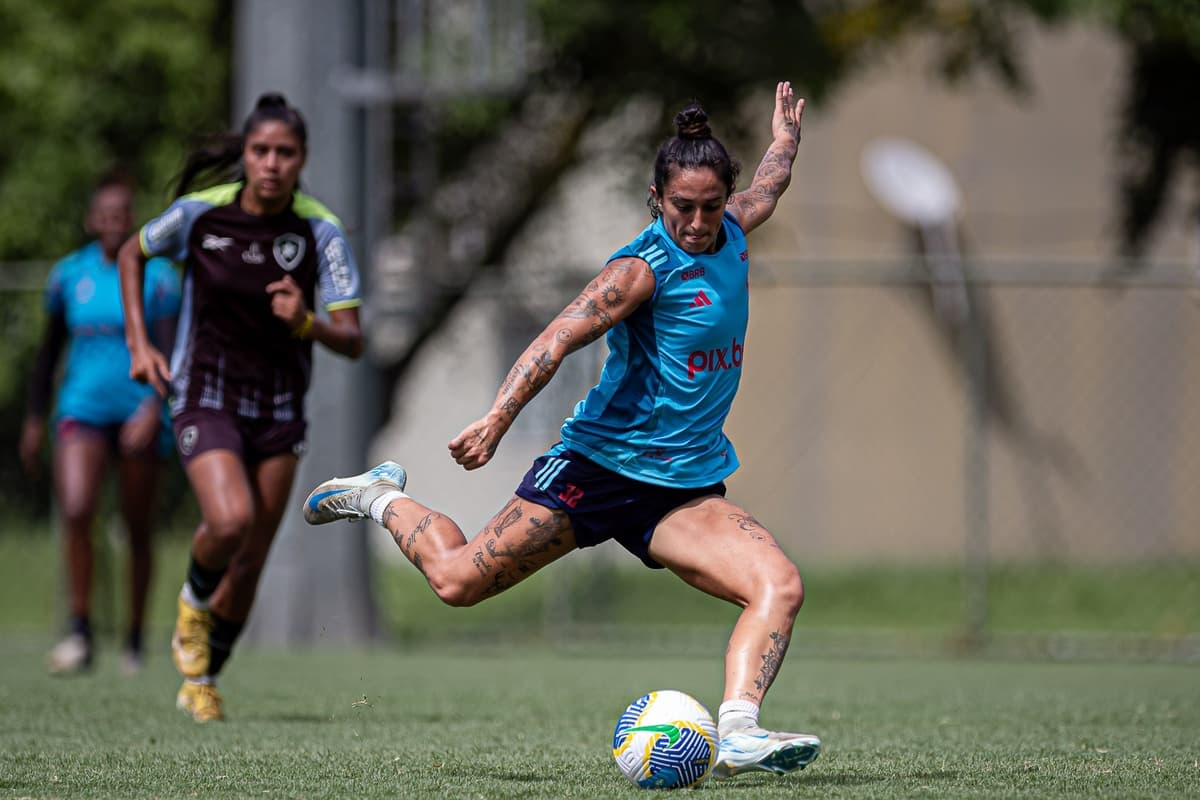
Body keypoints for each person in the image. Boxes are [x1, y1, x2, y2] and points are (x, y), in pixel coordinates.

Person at [305, 82, 819, 779]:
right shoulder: (639, 270)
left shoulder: (732, 231)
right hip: (596, 470)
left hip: (682, 489)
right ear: (656, 199)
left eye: (711, 205)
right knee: (456, 582)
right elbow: (555, 339)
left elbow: (770, 183)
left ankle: (738, 733)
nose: (698, 221)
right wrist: (498, 417)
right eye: (682, 207)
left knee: (779, 584)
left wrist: (784, 139)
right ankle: (379, 496)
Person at [117, 92, 365, 722]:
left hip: (280, 407)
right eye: (261, 151)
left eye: (285, 152)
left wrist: (307, 321)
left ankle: (202, 679)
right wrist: (140, 344)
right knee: (229, 522)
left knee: (252, 557)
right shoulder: (200, 216)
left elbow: (353, 339)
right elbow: (130, 253)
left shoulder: (320, 230)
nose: (272, 163)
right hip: (206, 393)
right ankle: (192, 604)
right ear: (246, 155)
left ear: (302, 158)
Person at [20, 173, 181, 676]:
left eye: (121, 214)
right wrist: (33, 417)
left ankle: (134, 638)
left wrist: (154, 409)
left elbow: (174, 353)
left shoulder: (159, 277)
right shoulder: (69, 275)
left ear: (132, 218)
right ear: (92, 219)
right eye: (104, 214)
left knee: (137, 526)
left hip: (140, 413)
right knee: (76, 508)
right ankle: (81, 631)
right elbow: (49, 353)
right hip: (81, 410)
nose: (113, 223)